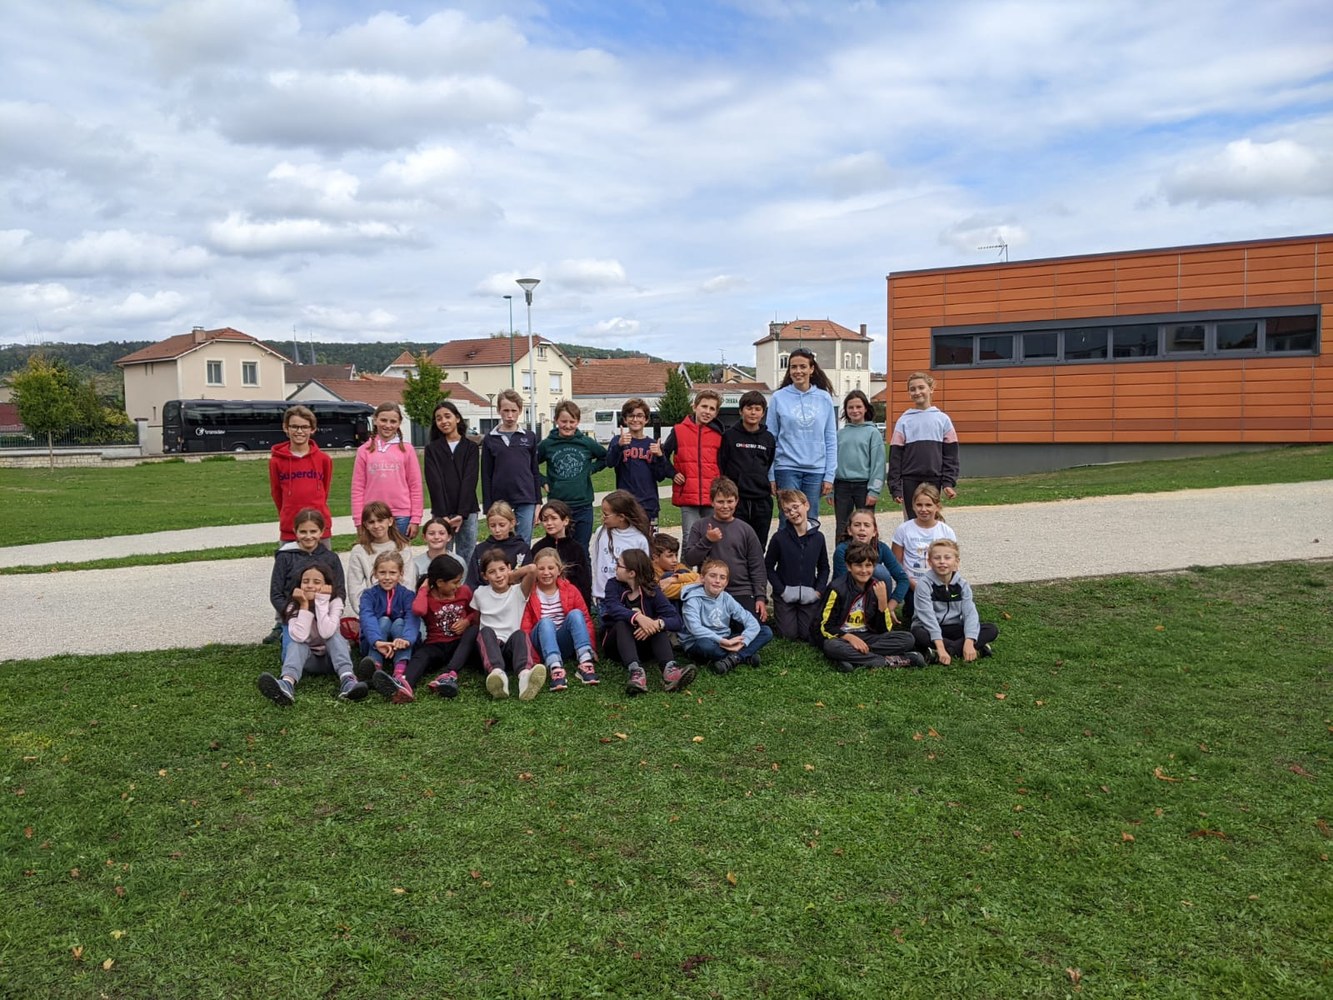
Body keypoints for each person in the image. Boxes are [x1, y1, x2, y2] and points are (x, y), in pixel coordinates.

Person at [263, 405, 334, 643]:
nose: (299, 431)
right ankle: (282, 620)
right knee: (286, 576)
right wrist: (288, 516)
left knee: (324, 572)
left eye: (304, 427)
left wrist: (318, 517)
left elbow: (325, 490)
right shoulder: (277, 461)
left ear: (312, 429)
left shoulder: (323, 460)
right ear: (286, 428)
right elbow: (277, 494)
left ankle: (325, 616)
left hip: (319, 527)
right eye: (294, 426)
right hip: (290, 528)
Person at [258, 564, 368, 705]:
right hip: (309, 661)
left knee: (334, 636)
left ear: (327, 585)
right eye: (305, 581)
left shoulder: (335, 602)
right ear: (299, 585)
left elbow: (326, 632)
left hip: (333, 658)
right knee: (297, 643)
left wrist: (322, 601)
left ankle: (348, 680)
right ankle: (287, 684)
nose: (310, 586)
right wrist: (304, 605)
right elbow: (299, 637)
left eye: (316, 582)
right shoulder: (292, 606)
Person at [819, 542, 925, 672]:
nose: (864, 570)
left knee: (908, 639)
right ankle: (888, 660)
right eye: (858, 565)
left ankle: (852, 659)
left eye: (868, 565)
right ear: (849, 566)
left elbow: (885, 630)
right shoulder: (837, 588)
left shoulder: (877, 587)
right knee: (831, 646)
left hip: (868, 636)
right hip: (842, 638)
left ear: (874, 566)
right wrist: (849, 637)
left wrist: (882, 603)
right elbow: (825, 627)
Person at [600, 549, 691, 696]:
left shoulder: (652, 590)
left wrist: (655, 624)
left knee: (659, 625)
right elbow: (612, 607)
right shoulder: (613, 585)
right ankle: (635, 672)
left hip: (646, 647)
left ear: (632, 573)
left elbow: (676, 620)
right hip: (617, 646)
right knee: (622, 623)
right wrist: (638, 618)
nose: (615, 567)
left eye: (619, 564)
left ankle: (670, 670)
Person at [682, 476, 768, 620]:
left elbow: (757, 565)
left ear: (736, 501)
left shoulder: (746, 530)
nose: (725, 506)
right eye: (720, 502)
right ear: (712, 502)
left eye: (730, 501)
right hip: (711, 591)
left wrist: (760, 597)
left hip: (741, 590)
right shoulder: (700, 526)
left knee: (756, 627)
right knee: (711, 627)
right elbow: (690, 559)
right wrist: (707, 540)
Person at [766, 347, 837, 513]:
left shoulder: (824, 398)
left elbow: (830, 439)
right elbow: (770, 439)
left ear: (811, 369)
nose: (798, 371)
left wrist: (829, 475)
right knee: (789, 516)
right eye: (793, 367)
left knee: (810, 518)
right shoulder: (778, 397)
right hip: (786, 467)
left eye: (803, 366)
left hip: (816, 469)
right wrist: (771, 475)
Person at [268, 508, 346, 658]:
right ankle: (286, 637)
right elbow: (276, 593)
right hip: (295, 617)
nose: (308, 536)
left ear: (321, 531)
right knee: (290, 656)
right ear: (295, 532)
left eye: (313, 531)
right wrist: (291, 613)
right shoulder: (285, 557)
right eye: (303, 532)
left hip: (324, 616)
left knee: (335, 654)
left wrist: (331, 613)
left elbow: (340, 591)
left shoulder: (331, 558)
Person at [468, 549, 544, 700]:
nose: (498, 575)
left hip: (511, 651)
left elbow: (532, 569)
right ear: (484, 576)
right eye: (492, 572)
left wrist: (512, 576)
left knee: (520, 634)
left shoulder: (519, 591)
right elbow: (476, 620)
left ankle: (525, 677)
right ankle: (497, 675)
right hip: (489, 650)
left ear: (509, 567)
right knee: (485, 631)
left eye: (502, 569)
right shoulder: (480, 593)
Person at [910, 539, 998, 665]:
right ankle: (971, 648)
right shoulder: (924, 584)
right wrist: (940, 647)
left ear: (956, 562)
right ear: (929, 562)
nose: (942, 561)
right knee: (917, 633)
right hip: (928, 627)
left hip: (953, 627)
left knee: (991, 629)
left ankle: (950, 650)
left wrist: (969, 641)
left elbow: (970, 614)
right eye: (937, 558)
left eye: (947, 558)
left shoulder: (962, 584)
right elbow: (927, 617)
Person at [521, 548, 599, 690]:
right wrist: (530, 658)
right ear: (535, 571)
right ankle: (555, 668)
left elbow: (586, 620)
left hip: (564, 641)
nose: (546, 573)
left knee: (576, 614)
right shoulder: (530, 593)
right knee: (546, 623)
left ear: (559, 570)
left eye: (551, 568)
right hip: (541, 643)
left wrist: (592, 647)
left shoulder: (571, 590)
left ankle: (585, 661)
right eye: (541, 569)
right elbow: (525, 627)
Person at [680, 559, 774, 674]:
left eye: (722, 578)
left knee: (766, 631)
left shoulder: (726, 598)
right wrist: (722, 641)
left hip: (725, 638)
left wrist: (743, 642)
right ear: (702, 578)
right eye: (713, 576)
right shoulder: (692, 599)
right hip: (699, 641)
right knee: (705, 645)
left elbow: (750, 620)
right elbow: (695, 628)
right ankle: (743, 656)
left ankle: (734, 658)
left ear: (726, 583)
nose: (717, 581)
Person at [888, 371, 959, 520]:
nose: (917, 392)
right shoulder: (904, 421)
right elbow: (895, 457)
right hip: (909, 480)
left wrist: (948, 482)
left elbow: (951, 455)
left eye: (921, 387)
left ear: (931, 389)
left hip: (934, 478)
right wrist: (895, 487)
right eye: (912, 389)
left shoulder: (943, 420)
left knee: (931, 519)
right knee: (912, 521)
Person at [536, 400, 607, 550]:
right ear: (556, 420)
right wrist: (543, 481)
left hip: (583, 506)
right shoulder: (547, 444)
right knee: (558, 549)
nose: (567, 426)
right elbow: (530, 465)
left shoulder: (586, 443)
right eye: (563, 421)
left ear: (578, 422)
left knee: (581, 549)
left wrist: (591, 469)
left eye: (572, 422)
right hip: (557, 507)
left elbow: (605, 457)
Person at [343, 501, 416, 640]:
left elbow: (408, 583)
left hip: (399, 611)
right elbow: (354, 588)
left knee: (400, 626)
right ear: (365, 525)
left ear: (390, 521)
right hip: (373, 611)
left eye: (380, 520)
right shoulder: (359, 551)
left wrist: (400, 611)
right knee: (382, 623)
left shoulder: (402, 548)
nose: (376, 526)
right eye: (371, 522)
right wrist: (367, 611)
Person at [406, 554, 475, 699]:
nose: (458, 586)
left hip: (459, 645)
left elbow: (475, 612)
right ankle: (405, 685)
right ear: (439, 582)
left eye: (460, 581)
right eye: (455, 582)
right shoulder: (427, 597)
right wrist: (423, 589)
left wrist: (467, 621)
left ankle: (448, 675)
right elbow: (418, 610)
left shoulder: (464, 591)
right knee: (421, 656)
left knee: (473, 631)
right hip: (436, 644)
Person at [351, 401, 422, 541]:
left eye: (393, 421)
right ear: (375, 420)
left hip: (401, 515)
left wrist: (416, 518)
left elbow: (415, 486)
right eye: (383, 420)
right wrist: (358, 520)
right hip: (373, 516)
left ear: (399, 423)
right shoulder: (364, 451)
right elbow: (358, 487)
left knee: (399, 553)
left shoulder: (407, 450)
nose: (388, 425)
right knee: (374, 554)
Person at [765, 489, 830, 641]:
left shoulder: (819, 538)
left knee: (808, 634)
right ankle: (784, 612)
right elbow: (768, 566)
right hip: (786, 594)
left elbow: (824, 567)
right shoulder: (779, 538)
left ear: (806, 505)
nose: (793, 513)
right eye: (787, 511)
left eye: (795, 507)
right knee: (788, 634)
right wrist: (781, 590)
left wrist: (818, 591)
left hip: (809, 593)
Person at [424, 399, 480, 568]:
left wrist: (462, 513)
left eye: (447, 416)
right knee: (441, 555)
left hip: (467, 511)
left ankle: (465, 584)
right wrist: (443, 515)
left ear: (457, 418)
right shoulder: (432, 449)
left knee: (467, 555)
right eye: (439, 418)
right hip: (442, 512)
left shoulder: (470, 447)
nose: (444, 421)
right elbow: (434, 482)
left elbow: (470, 480)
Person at [480, 389, 542, 544]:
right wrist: (488, 506)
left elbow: (534, 471)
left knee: (523, 542)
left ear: (520, 411)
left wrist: (538, 502)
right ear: (498, 410)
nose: (509, 415)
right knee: (502, 540)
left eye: (513, 411)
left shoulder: (529, 437)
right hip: (500, 500)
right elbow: (486, 474)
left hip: (525, 497)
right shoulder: (490, 439)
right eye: (505, 410)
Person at [356, 551, 420, 701]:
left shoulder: (408, 595)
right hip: (375, 643)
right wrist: (377, 641)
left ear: (400, 574)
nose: (387, 577)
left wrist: (406, 640)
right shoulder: (368, 595)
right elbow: (367, 618)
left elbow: (412, 619)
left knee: (399, 622)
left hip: (400, 643)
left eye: (392, 573)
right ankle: (374, 667)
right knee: (383, 620)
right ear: (375, 573)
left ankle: (399, 673)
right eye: (382, 572)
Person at [890, 483, 957, 625]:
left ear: (937, 506)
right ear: (913, 506)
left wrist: (943, 585)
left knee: (946, 615)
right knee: (918, 615)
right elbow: (896, 564)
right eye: (919, 505)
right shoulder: (903, 529)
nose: (923, 509)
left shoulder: (946, 531)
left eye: (928, 505)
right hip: (912, 584)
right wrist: (913, 585)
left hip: (939, 584)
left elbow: (953, 564)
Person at [662, 389, 724, 539]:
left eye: (712, 409)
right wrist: (672, 473)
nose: (707, 411)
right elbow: (662, 455)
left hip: (712, 495)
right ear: (694, 407)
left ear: (716, 413)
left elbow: (724, 463)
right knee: (690, 537)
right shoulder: (678, 431)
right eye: (704, 406)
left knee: (711, 538)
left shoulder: (719, 434)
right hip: (688, 494)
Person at [719, 390, 777, 548]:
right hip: (738, 499)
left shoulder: (768, 438)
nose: (753, 412)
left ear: (763, 413)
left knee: (758, 545)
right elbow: (723, 464)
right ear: (741, 411)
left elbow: (769, 462)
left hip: (761, 500)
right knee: (735, 544)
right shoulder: (729, 436)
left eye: (757, 409)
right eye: (749, 408)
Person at [605, 397, 672, 531]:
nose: (635, 419)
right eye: (631, 416)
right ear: (625, 419)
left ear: (646, 419)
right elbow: (610, 463)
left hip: (649, 504)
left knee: (649, 541)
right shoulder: (618, 440)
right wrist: (619, 446)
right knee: (625, 540)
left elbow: (660, 476)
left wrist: (660, 456)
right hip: (625, 504)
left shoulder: (652, 444)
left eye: (640, 416)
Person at [833, 509, 910, 622]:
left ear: (874, 531)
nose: (862, 528)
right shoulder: (842, 550)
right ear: (849, 530)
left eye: (867, 525)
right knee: (876, 570)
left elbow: (903, 579)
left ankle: (880, 612)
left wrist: (890, 606)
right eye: (857, 525)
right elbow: (841, 584)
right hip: (849, 598)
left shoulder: (881, 548)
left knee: (880, 571)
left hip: (875, 597)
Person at [833, 389, 886, 541]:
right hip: (842, 486)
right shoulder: (840, 434)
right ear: (846, 410)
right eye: (850, 407)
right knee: (842, 526)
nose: (854, 410)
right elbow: (833, 461)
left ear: (865, 409)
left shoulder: (872, 433)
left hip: (864, 487)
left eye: (858, 407)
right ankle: (842, 555)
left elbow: (878, 464)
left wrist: (874, 490)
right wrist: (831, 490)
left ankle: (867, 555)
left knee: (865, 525)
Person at [590, 490, 652, 606]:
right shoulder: (601, 532)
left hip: (627, 598)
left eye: (606, 515)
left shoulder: (639, 539)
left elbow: (643, 571)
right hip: (603, 597)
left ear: (621, 517)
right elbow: (595, 561)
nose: (603, 518)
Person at [530, 499, 593, 608]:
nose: (549, 523)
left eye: (554, 518)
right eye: (545, 520)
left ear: (565, 521)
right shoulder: (538, 548)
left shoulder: (576, 549)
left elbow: (584, 583)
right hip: (544, 604)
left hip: (572, 603)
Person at [464, 501, 531, 590]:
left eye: (502, 525)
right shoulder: (480, 549)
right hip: (485, 594)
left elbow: (527, 579)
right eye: (493, 526)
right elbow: (472, 581)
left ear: (512, 523)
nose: (497, 530)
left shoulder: (521, 548)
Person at [650, 533, 699, 606]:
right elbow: (665, 591)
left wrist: (674, 579)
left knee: (682, 572)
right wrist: (696, 584)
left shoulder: (677, 566)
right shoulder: (650, 572)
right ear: (655, 557)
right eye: (669, 556)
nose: (675, 560)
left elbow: (698, 576)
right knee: (668, 575)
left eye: (676, 555)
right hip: (660, 609)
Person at [412, 516, 453, 580]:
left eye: (442, 533)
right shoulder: (415, 564)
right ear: (424, 537)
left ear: (449, 537)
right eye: (431, 533)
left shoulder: (458, 561)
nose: (436, 537)